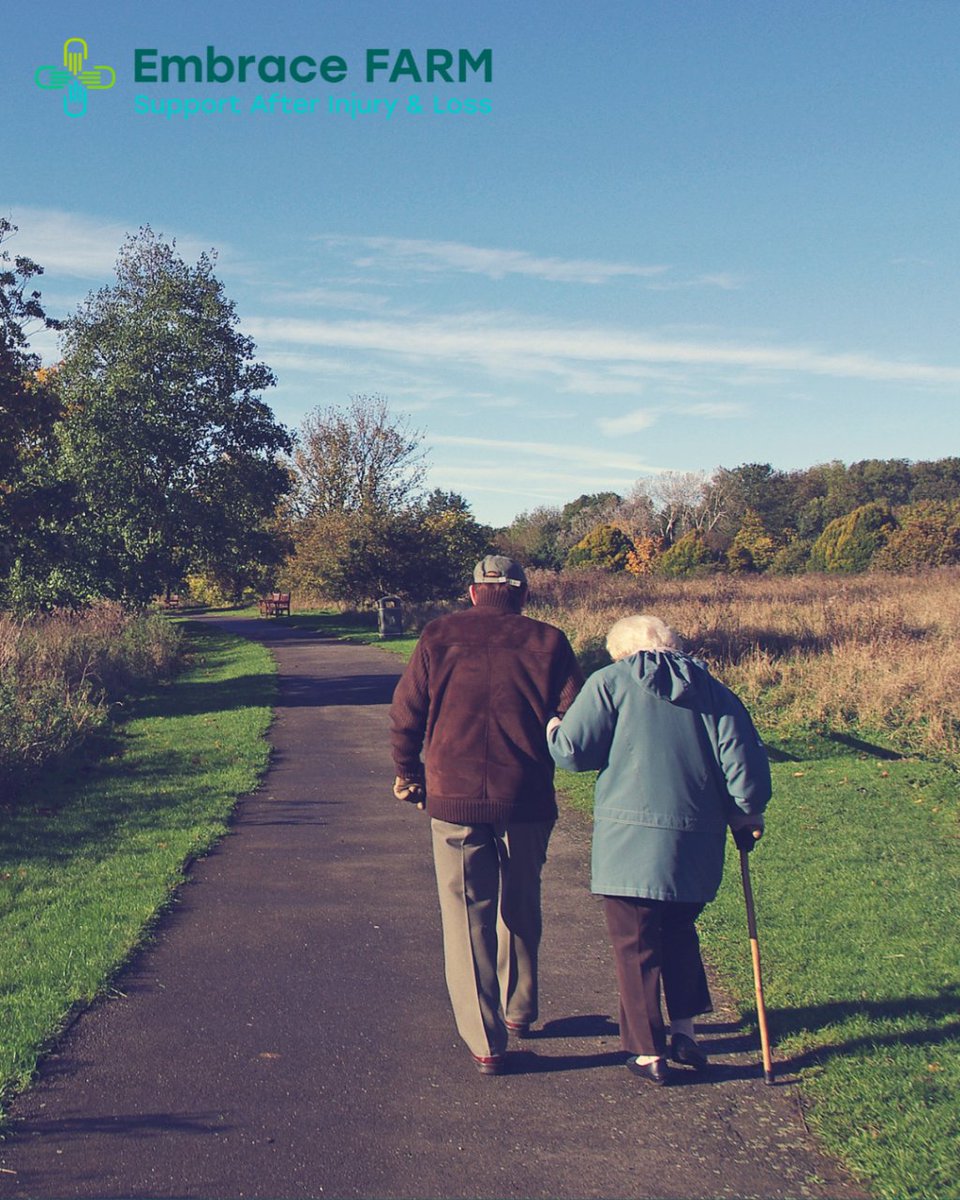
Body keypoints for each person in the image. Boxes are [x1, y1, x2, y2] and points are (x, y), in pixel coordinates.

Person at [546, 614, 771, 1086]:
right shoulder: (715, 691)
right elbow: (744, 769)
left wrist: (552, 727)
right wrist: (747, 813)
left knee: (636, 943)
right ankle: (685, 1031)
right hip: (696, 841)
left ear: (622, 652)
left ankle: (647, 1051)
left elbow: (572, 752)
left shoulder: (611, 682)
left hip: (629, 842)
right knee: (679, 931)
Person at [390, 555, 583, 1075]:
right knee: (521, 902)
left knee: (466, 916)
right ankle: (519, 1008)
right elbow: (573, 718)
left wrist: (409, 773)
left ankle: (486, 1040)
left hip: (453, 796)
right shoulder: (549, 642)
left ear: (473, 592)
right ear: (523, 593)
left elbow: (405, 712)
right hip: (526, 795)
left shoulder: (438, 635)